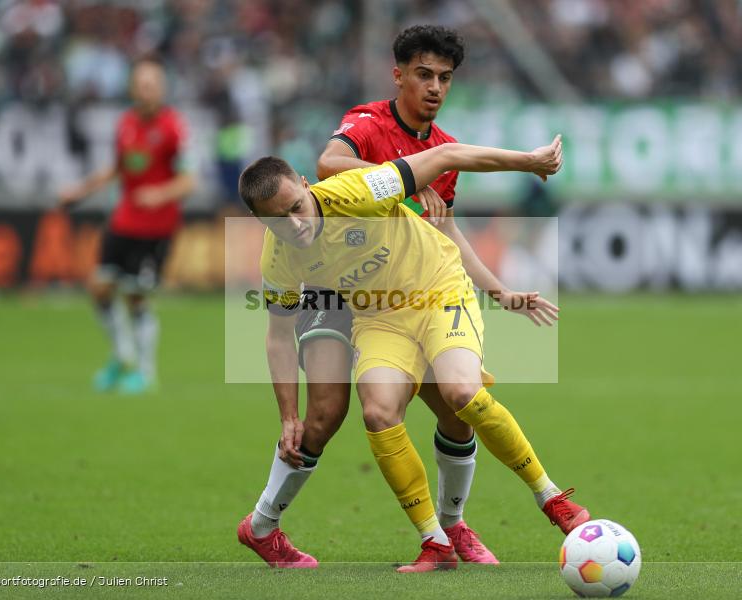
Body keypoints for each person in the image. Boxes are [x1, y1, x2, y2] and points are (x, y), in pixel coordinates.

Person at [239, 24, 559, 570]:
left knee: (455, 406)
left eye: (444, 77)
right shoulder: (366, 127)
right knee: (325, 413)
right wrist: (402, 185)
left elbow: (448, 235)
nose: (435, 87)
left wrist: (499, 291)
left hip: (400, 289)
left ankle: (451, 528)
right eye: (424, 75)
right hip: (331, 294)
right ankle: (263, 525)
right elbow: (328, 167)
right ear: (400, 76)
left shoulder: (441, 150)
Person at [58, 58, 195, 394]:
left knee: (136, 296)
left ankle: (146, 373)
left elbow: (190, 181)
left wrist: (160, 193)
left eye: (152, 84)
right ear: (133, 88)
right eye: (141, 84)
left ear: (161, 89)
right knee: (100, 287)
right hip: (124, 220)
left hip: (157, 227)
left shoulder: (173, 127)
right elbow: (116, 169)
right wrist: (81, 190)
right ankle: (122, 355)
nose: (146, 90)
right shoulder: (127, 123)